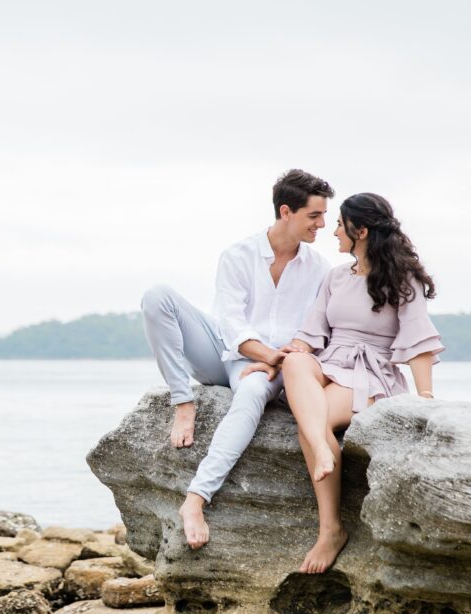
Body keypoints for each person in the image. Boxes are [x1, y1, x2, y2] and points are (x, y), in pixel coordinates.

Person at [141, 169, 333, 549]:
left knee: (251, 391)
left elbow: (315, 331)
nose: (323, 225)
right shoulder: (238, 255)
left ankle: (195, 500)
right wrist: (267, 355)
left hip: (278, 366)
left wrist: (277, 363)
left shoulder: (319, 268)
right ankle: (183, 401)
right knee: (157, 295)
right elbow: (231, 323)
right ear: (286, 212)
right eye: (314, 215)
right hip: (232, 351)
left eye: (324, 216)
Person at [272, 192, 443, 574]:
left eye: (339, 225)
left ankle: (331, 530)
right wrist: (273, 362)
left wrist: (426, 396)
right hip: (330, 363)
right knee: (296, 361)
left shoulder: (403, 279)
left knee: (310, 420)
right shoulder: (335, 277)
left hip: (372, 373)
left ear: (360, 230)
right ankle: (321, 444)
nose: (332, 231)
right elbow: (311, 333)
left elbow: (417, 341)